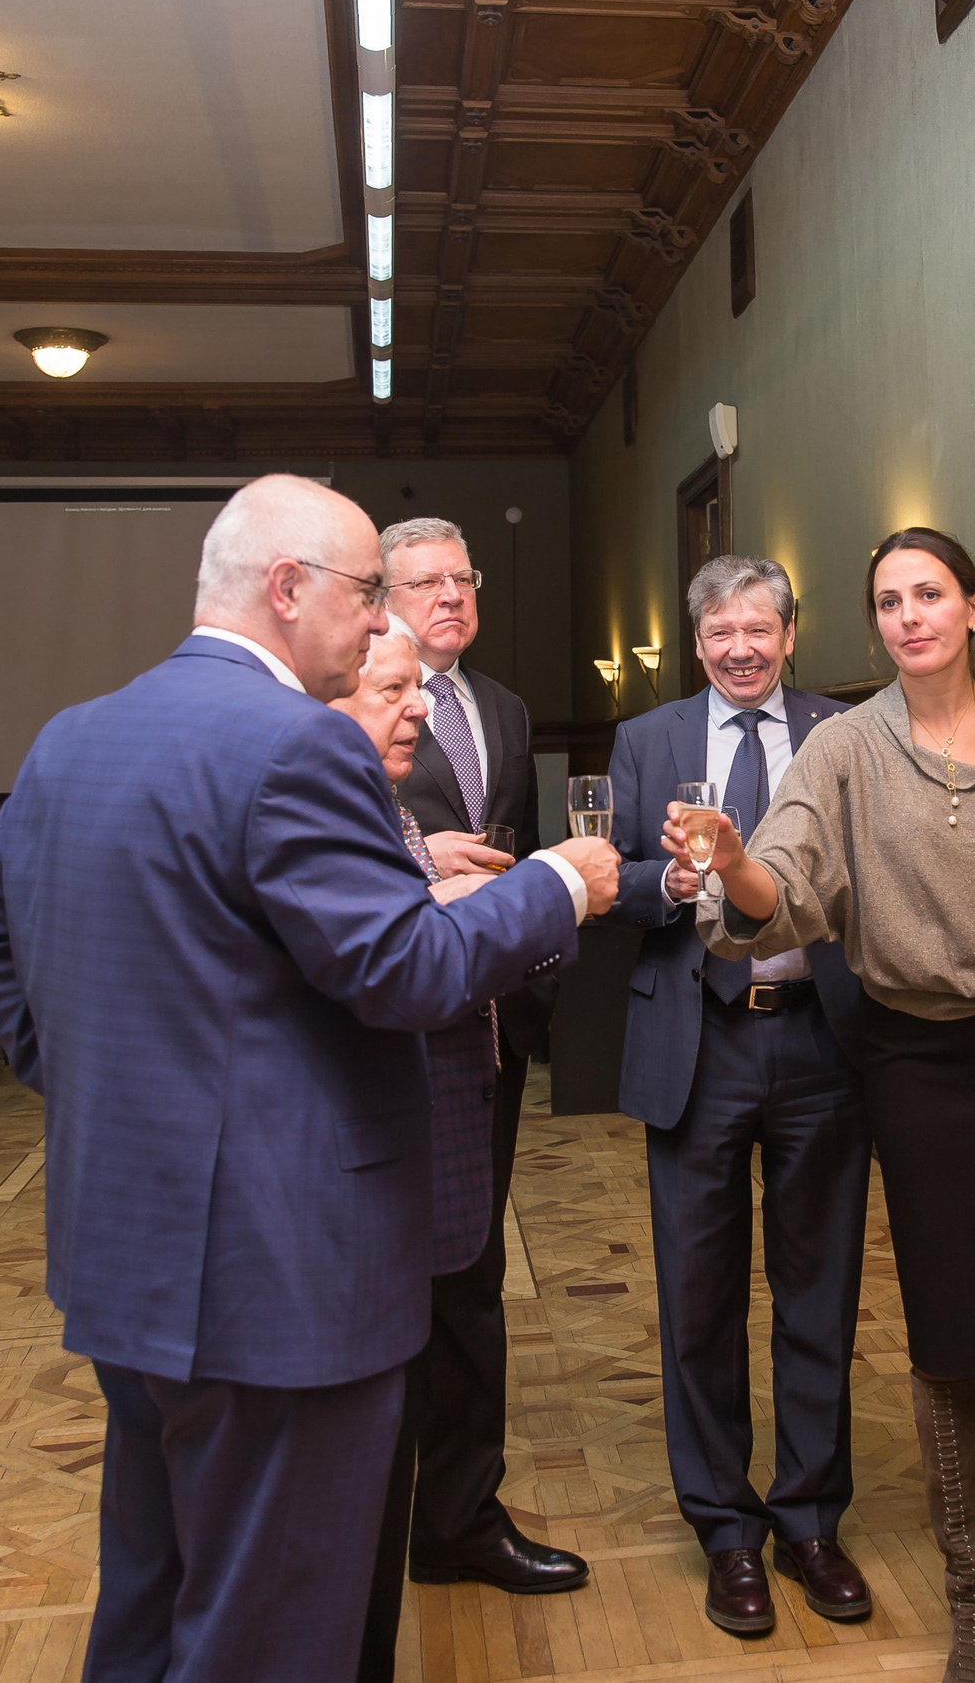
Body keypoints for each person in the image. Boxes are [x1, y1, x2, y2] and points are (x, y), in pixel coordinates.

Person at [0, 475, 621, 1683]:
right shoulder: (297, 742)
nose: (377, 625)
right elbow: (403, 972)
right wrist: (555, 885)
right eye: (366, 595)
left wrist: (75, 1073)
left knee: (152, 1599)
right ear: (287, 588)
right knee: (271, 1633)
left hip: (126, 1254)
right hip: (282, 1276)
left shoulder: (73, 734)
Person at [675, 529, 975, 1683]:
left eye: (928, 595)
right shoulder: (842, 748)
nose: (907, 616)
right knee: (951, 1339)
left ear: (974, 608)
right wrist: (729, 861)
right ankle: (973, 1596)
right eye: (885, 601)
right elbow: (782, 886)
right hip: (920, 1071)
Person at [606, 556, 874, 1636]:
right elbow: (609, 873)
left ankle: (810, 1518)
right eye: (718, 633)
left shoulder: (844, 733)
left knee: (820, 1290)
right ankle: (726, 1531)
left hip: (818, 1041)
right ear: (697, 642)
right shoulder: (648, 740)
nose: (739, 650)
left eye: (757, 629)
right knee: (699, 1298)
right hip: (699, 1041)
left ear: (790, 634)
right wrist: (664, 884)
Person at [376, 514, 589, 1596]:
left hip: (490, 1040)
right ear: (379, 597)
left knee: (470, 1278)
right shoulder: (338, 707)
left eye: (463, 579)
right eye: (424, 582)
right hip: (388, 1047)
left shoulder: (499, 708)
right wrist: (420, 864)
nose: (449, 597)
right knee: (385, 1283)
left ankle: (457, 1514)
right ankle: (374, 1513)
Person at [331, 628, 516, 1682]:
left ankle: (450, 1527)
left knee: (457, 1320)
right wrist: (544, 893)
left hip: (448, 1110)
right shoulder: (322, 792)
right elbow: (390, 960)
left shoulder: (380, 795)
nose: (419, 707)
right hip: (365, 1161)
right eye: (395, 688)